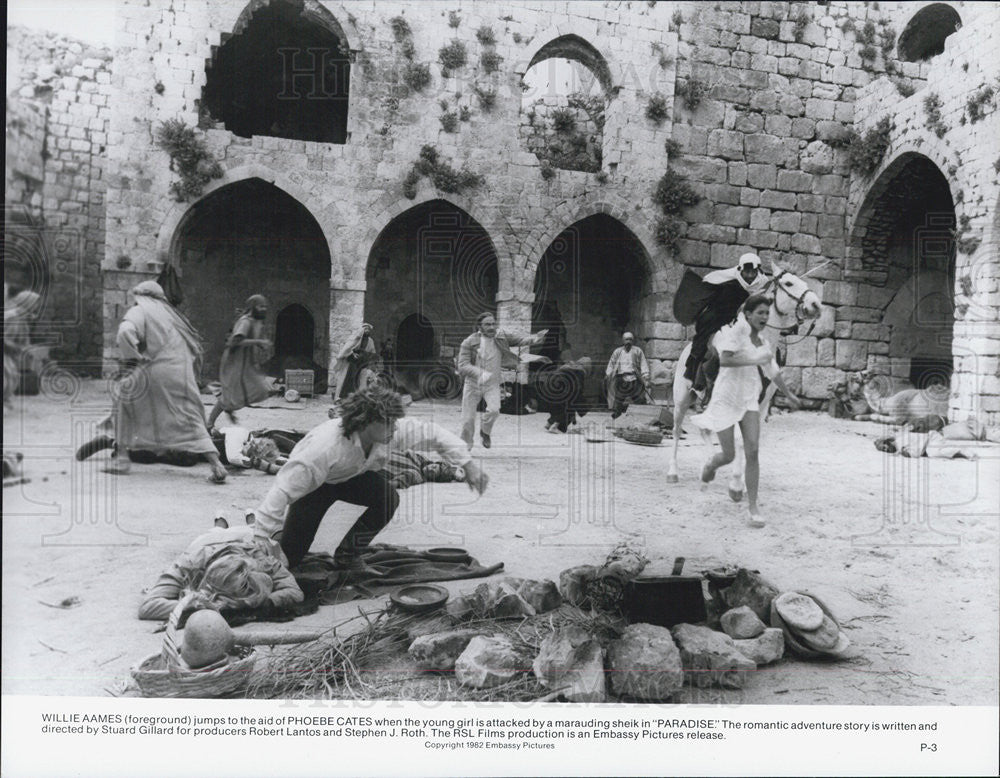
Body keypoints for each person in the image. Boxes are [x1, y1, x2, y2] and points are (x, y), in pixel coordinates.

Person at [252, 385, 489, 569]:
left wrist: (468, 466)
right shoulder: (323, 448)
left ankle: (348, 556)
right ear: (366, 422)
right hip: (317, 487)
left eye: (395, 422)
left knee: (387, 497)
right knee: (289, 559)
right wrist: (264, 542)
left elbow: (435, 434)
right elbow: (279, 493)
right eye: (389, 423)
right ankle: (251, 533)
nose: (395, 428)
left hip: (352, 477)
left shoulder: (388, 431)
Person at [688, 294, 801, 528]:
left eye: (766, 313)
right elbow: (726, 360)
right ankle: (711, 464)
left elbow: (773, 371)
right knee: (728, 455)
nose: (764, 316)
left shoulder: (764, 343)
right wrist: (754, 358)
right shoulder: (735, 333)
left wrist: (788, 394)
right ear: (748, 314)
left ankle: (753, 507)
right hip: (726, 398)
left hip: (749, 398)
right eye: (760, 312)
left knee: (753, 450)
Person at [111, 281, 228, 482]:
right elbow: (196, 350)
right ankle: (216, 465)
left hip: (154, 369)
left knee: (123, 399)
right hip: (181, 373)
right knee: (190, 416)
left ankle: (122, 457)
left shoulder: (142, 310)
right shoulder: (174, 316)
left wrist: (134, 358)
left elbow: (125, 332)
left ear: (142, 296)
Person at [138, 524, 303, 620]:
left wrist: (266, 602)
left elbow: (294, 592)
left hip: (247, 537)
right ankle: (221, 522)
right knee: (216, 530)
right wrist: (199, 605)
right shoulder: (189, 563)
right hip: (208, 540)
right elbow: (148, 606)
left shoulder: (263, 563)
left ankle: (246, 520)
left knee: (259, 530)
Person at [674, 252, 770, 392]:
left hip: (745, 322)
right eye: (746, 272)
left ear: (758, 271)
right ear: (740, 270)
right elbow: (721, 304)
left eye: (753, 272)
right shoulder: (728, 282)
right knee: (714, 348)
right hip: (717, 320)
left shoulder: (762, 283)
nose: (749, 276)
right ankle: (701, 382)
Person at [456, 312, 547, 449]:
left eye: (493, 324)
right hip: (473, 384)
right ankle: (466, 446)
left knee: (494, 410)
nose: (492, 327)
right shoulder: (469, 342)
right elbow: (462, 366)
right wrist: (479, 373)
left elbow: (520, 339)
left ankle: (485, 431)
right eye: (487, 324)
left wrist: (535, 339)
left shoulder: (501, 336)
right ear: (479, 327)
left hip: (492, 383)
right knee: (468, 419)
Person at [207, 295, 272, 430]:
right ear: (253, 307)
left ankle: (229, 410)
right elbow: (235, 341)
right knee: (231, 394)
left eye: (265, 307)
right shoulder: (245, 322)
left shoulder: (254, 322)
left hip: (244, 363)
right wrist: (259, 342)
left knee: (255, 390)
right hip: (234, 362)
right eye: (261, 306)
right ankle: (210, 422)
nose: (263, 309)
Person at [605, 332, 650, 419]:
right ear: (623, 340)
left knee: (639, 398)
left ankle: (642, 415)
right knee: (619, 398)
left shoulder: (638, 351)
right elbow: (612, 363)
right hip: (621, 378)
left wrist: (646, 376)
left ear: (633, 341)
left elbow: (643, 363)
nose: (628, 341)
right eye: (626, 339)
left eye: (630, 339)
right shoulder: (618, 351)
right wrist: (608, 373)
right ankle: (616, 414)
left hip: (634, 377)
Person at [543, 357, 593, 433]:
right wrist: (583, 409)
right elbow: (577, 392)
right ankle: (557, 428)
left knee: (559, 408)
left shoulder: (568, 367)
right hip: (558, 390)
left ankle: (549, 424)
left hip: (547, 388)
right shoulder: (579, 371)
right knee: (567, 408)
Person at [332, 323, 377, 399]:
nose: (367, 331)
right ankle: (341, 397)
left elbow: (372, 352)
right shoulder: (355, 338)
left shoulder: (370, 341)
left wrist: (367, 357)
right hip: (351, 362)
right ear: (361, 330)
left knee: (362, 379)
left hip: (362, 362)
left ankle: (361, 398)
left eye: (368, 329)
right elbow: (347, 348)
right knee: (348, 378)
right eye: (365, 329)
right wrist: (352, 354)